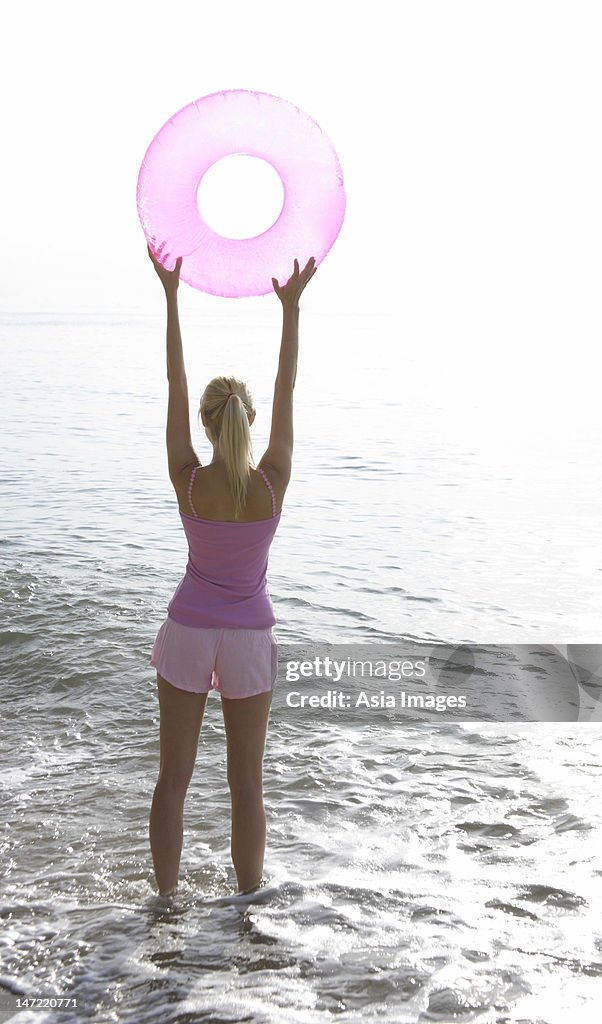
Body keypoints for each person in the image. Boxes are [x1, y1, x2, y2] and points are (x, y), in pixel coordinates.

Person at [146, 245, 317, 897]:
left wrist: (170, 297)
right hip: (247, 640)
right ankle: (247, 910)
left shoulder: (188, 480)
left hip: (188, 630)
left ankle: (164, 906)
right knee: (247, 786)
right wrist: (291, 311)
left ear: (207, 426)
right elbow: (288, 386)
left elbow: (173, 384)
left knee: (173, 782)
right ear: (251, 421)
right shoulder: (272, 482)